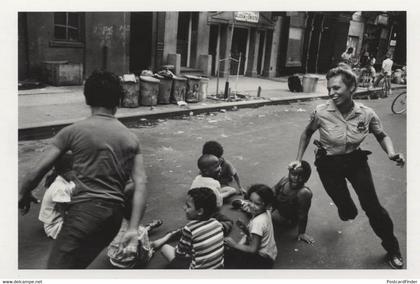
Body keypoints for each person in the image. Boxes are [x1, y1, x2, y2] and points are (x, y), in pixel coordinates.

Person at [18, 70, 148, 269]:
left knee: (57, 271)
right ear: (119, 101)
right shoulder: (131, 138)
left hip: (84, 213)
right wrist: (132, 228)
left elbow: (36, 171)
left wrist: (24, 192)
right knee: (74, 268)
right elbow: (141, 185)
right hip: (112, 219)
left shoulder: (72, 131)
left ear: (86, 98)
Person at [289, 65, 405, 269]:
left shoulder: (366, 114)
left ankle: (392, 248)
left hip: (355, 162)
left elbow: (381, 135)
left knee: (374, 208)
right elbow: (307, 133)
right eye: (329, 89)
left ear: (352, 87)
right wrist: (298, 159)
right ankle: (345, 207)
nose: (331, 94)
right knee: (349, 212)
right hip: (328, 165)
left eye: (336, 88)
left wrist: (391, 153)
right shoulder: (321, 112)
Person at [159, 187, 224, 269]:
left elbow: (179, 253)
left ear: (200, 211)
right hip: (218, 270)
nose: (184, 208)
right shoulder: (217, 224)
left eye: (188, 206)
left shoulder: (190, 229)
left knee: (165, 248)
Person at [224, 184, 277, 269]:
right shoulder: (266, 212)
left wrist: (234, 245)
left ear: (267, 205)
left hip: (263, 259)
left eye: (257, 204)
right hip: (270, 252)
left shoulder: (258, 222)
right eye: (250, 201)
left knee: (230, 255)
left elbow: (253, 249)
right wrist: (245, 229)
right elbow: (258, 234)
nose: (251, 205)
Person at [272, 160, 314, 244]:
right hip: (277, 208)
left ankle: (248, 206)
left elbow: (303, 215)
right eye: (293, 174)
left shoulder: (303, 193)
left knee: (263, 217)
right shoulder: (284, 180)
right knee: (260, 198)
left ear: (306, 178)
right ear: (289, 173)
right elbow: (272, 192)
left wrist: (302, 233)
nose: (296, 178)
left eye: (301, 176)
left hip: (285, 218)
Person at [190, 154, 233, 234]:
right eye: (217, 167)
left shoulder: (197, 178)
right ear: (206, 171)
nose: (220, 168)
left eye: (219, 165)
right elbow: (218, 204)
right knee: (229, 222)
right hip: (208, 215)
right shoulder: (215, 183)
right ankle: (215, 230)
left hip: (196, 213)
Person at [38, 152, 75, 239]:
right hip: (55, 226)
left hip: (59, 220)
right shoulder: (59, 187)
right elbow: (64, 212)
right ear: (67, 171)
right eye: (76, 169)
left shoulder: (66, 181)